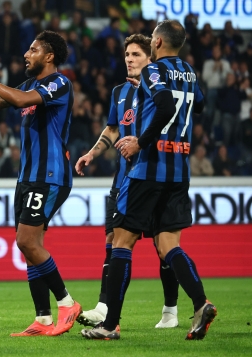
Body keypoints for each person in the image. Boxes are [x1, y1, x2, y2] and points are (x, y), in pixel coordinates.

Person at [81, 20, 216, 341]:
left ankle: (110, 324)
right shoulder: (189, 72)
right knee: (169, 245)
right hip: (179, 170)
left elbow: (165, 104)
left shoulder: (154, 72)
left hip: (147, 169)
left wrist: (141, 141)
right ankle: (201, 302)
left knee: (121, 243)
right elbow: (200, 106)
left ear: (156, 43)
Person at [0, 31, 81, 337]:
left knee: (26, 241)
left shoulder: (59, 83)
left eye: (33, 49)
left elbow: (20, 100)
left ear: (49, 57)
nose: (26, 53)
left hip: (50, 176)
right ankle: (43, 320)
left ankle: (67, 303)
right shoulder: (29, 85)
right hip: (27, 177)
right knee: (30, 246)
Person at [75, 34, 180, 329]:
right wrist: (92, 153)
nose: (130, 59)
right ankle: (105, 307)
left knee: (163, 246)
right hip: (122, 180)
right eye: (127, 55)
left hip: (153, 176)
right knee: (113, 242)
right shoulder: (119, 92)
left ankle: (170, 311)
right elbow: (112, 129)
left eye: (136, 54)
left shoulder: (157, 90)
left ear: (150, 59)